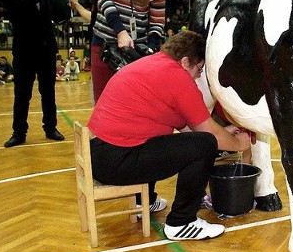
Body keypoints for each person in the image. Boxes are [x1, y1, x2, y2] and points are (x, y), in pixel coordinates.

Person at [88, 31, 251, 240]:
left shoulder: (152, 64)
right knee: (205, 145)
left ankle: (143, 202)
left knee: (162, 138)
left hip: (102, 154)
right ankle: (182, 222)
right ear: (185, 62)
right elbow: (210, 136)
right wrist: (238, 144)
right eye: (199, 69)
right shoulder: (178, 77)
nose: (199, 75)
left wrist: (225, 132)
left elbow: (187, 128)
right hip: (116, 161)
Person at [0, 0, 65, 147]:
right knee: (22, 94)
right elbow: (19, 12)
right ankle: (19, 133)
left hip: (46, 52)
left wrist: (65, 2)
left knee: (48, 92)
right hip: (24, 53)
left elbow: (57, 17)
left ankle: (50, 128)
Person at [90, 0, 166, 103]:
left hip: (134, 52)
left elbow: (158, 22)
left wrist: (150, 48)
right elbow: (105, 0)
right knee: (103, 99)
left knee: (130, 101)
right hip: (103, 44)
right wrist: (121, 32)